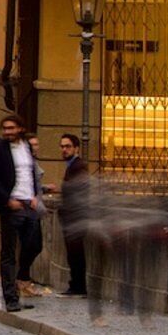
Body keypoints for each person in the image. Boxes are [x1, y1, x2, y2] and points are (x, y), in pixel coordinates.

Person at [0, 113, 45, 310]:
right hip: (11, 205)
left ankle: (20, 280)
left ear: (20, 129)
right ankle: (11, 299)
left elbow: (31, 172)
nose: (7, 132)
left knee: (34, 245)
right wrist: (7, 199)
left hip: (29, 203)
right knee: (8, 253)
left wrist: (36, 194)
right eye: (5, 129)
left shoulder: (27, 146)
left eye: (11, 128)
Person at [55, 131, 97, 308]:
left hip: (76, 216)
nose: (64, 149)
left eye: (68, 146)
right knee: (73, 253)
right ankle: (76, 285)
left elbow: (77, 192)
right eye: (62, 146)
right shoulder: (72, 166)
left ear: (76, 148)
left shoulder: (78, 166)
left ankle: (78, 286)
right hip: (73, 216)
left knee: (76, 254)